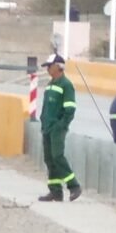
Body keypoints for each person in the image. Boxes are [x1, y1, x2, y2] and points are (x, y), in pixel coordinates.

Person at [38, 53, 81, 202]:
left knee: (58, 156)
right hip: (47, 127)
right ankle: (55, 191)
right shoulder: (50, 84)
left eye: (50, 66)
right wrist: (43, 121)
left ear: (58, 67)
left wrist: (61, 125)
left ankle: (74, 185)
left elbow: (70, 109)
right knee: (49, 159)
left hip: (57, 128)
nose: (48, 69)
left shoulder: (66, 85)